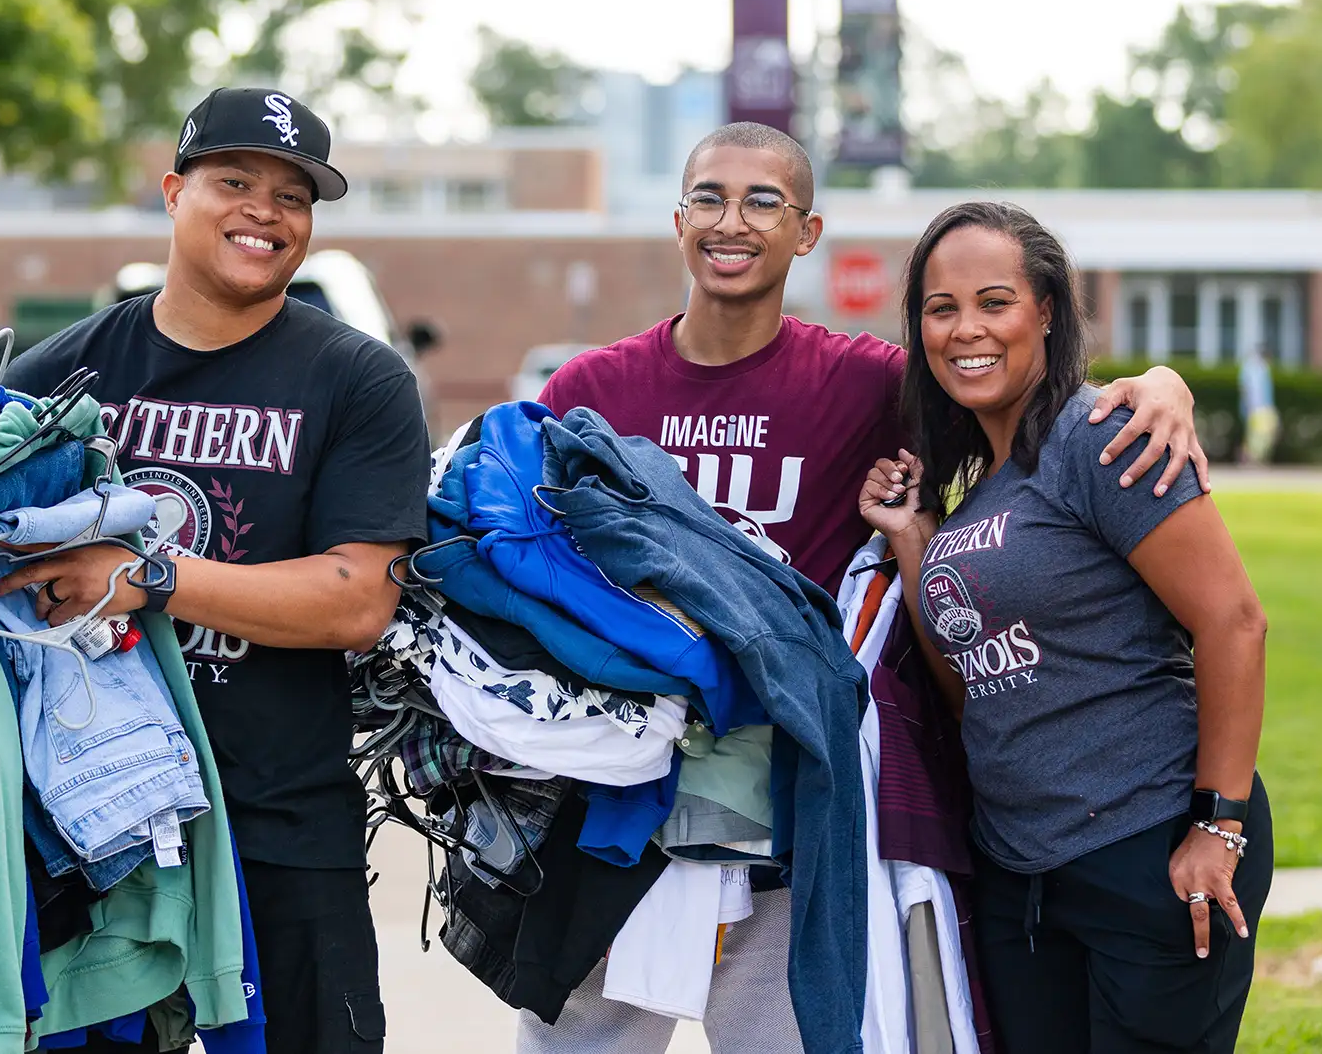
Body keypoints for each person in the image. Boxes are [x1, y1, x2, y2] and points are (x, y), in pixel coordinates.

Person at [525, 123, 1213, 1053]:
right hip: (615, 805)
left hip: (789, 812)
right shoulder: (590, 389)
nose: (734, 221)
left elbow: (1018, 389)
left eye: (764, 200)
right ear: (677, 218)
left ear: (806, 232)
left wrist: (1164, 385)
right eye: (710, 198)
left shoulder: (870, 384)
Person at [0, 87, 431, 1054]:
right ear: (172, 192)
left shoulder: (357, 381)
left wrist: (149, 577)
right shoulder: (57, 381)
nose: (264, 212)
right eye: (234, 181)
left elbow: (357, 599)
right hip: (89, 829)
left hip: (279, 820)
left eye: (293, 195)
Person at [859, 201, 1273, 1054]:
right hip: (1024, 875)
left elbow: (1235, 622)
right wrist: (912, 546)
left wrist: (1217, 826)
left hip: (1146, 844)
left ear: (1046, 310)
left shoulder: (1102, 437)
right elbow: (975, 686)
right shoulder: (981, 492)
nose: (966, 327)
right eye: (942, 308)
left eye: (994, 300)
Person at [1239, 345, 1279, 466]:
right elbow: (1252, 391)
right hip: (1258, 409)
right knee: (1258, 436)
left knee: (1258, 435)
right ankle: (1250, 459)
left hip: (1260, 408)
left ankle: (1252, 459)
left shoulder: (1254, 368)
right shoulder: (1255, 369)